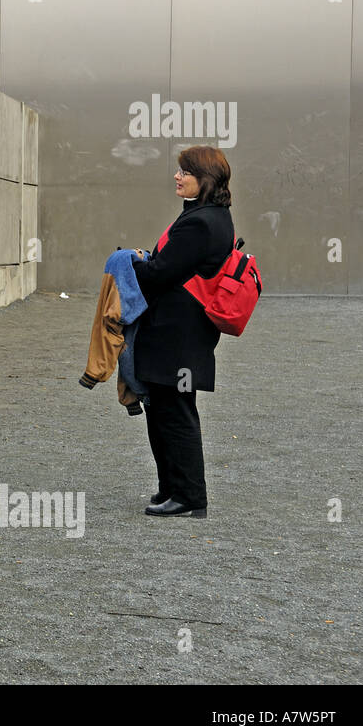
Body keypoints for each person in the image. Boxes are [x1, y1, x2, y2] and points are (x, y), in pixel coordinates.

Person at [132, 145, 235, 518]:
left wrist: (132, 263)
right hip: (180, 332)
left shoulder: (200, 222)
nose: (177, 176)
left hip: (177, 334)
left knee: (175, 412)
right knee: (163, 409)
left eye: (185, 172)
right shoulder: (209, 215)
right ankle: (172, 488)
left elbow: (160, 274)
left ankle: (190, 497)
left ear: (204, 179)